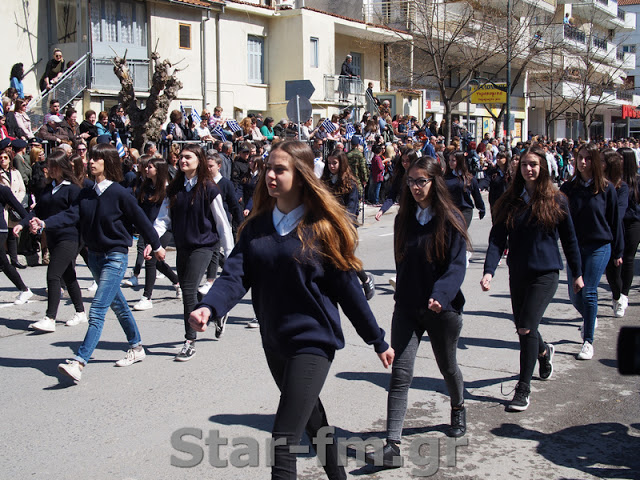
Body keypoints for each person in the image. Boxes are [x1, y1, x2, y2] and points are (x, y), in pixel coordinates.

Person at [188, 140, 394, 480]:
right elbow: (235, 276)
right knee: (314, 422)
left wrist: (378, 340)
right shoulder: (257, 227)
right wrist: (209, 307)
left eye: (279, 169)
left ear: (301, 176)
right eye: (268, 167)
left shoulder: (322, 229)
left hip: (313, 343)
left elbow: (349, 293)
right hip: (275, 344)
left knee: (284, 441)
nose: (269, 175)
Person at [365, 155, 470, 470]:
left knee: (448, 366)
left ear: (434, 182)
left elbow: (456, 267)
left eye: (421, 181)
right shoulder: (404, 219)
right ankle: (392, 445)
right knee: (400, 374)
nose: (414, 187)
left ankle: (459, 406)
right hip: (408, 308)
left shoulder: (450, 218)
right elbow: (402, 261)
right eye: (410, 181)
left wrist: (440, 295)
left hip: (442, 309)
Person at [29, 143, 166, 382]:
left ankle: (80, 361)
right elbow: (71, 215)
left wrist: (156, 245)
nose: (90, 162)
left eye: (96, 159)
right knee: (119, 305)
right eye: (90, 158)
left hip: (115, 256)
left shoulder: (120, 193)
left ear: (109, 163)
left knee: (98, 309)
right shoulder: (86, 192)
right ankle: (137, 347)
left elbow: (142, 221)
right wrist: (44, 223)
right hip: (94, 257)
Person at [481, 144, 584, 411]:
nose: (529, 169)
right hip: (519, 272)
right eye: (525, 164)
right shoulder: (510, 201)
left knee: (525, 327)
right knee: (525, 327)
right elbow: (496, 240)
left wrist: (578, 273)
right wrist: (489, 271)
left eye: (534, 165)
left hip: (546, 273)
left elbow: (570, 239)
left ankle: (523, 389)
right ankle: (544, 351)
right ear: (518, 169)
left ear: (543, 168)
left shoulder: (556, 199)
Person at [150, 144, 234, 361]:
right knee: (191, 291)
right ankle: (215, 312)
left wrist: (230, 252)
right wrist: (152, 240)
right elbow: (162, 219)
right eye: (181, 158)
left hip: (204, 246)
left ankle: (189, 341)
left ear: (199, 160)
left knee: (187, 289)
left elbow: (222, 223)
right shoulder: (175, 188)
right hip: (183, 246)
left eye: (188, 157)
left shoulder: (209, 188)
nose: (182, 161)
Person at [560, 144, 622, 360]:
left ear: (594, 161)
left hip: (599, 245)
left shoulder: (606, 188)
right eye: (580, 158)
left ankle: (588, 341)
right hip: (575, 247)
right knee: (575, 295)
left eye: (587, 158)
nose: (583, 162)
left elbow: (615, 222)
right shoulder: (569, 188)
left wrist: (618, 252)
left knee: (589, 291)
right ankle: (589, 316)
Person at [15, 150, 86, 332]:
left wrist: (45, 223)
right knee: (68, 275)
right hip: (53, 237)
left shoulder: (73, 189)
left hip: (69, 238)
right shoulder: (48, 187)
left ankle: (50, 317)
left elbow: (72, 215)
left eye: (52, 166)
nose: (48, 170)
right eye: (48, 166)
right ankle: (80, 312)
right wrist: (23, 224)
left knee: (53, 274)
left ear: (61, 168)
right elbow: (38, 210)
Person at [322, 149, 376, 299]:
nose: (332, 166)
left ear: (342, 163)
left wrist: (340, 223)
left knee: (345, 257)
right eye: (329, 163)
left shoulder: (350, 183)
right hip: (327, 227)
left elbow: (351, 210)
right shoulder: (325, 181)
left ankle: (366, 280)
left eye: (335, 163)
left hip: (345, 227)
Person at [130, 156, 181, 311]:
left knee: (150, 259)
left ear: (159, 170)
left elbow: (165, 217)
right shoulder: (145, 186)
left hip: (164, 229)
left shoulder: (167, 188)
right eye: (146, 167)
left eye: (150, 167)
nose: (146, 169)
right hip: (148, 228)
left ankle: (147, 297)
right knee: (157, 261)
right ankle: (177, 281)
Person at [601, 149, 628, 317]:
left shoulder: (621, 187)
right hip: (595, 237)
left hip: (612, 235)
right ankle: (589, 318)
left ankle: (618, 297)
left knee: (613, 275)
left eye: (602, 161)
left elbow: (619, 214)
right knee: (589, 282)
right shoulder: (595, 183)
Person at [615, 147, 640, 317]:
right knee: (616, 259)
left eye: (620, 158)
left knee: (628, 258)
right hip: (616, 224)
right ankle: (616, 291)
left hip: (633, 223)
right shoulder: (612, 180)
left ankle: (624, 294)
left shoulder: (637, 181)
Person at [0, 180, 32, 304]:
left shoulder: (3, 190)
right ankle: (24, 289)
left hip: (0, 230)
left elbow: (20, 209)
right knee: (3, 262)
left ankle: (24, 290)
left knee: (3, 262)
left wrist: (30, 223)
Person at [0, 147, 27, 269]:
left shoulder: (15, 172)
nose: (3, 160)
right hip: (5, 208)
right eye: (0, 158)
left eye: (5, 158)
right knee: (4, 234)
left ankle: (14, 259)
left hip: (15, 205)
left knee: (13, 234)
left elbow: (22, 189)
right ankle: (3, 262)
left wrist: (16, 201)